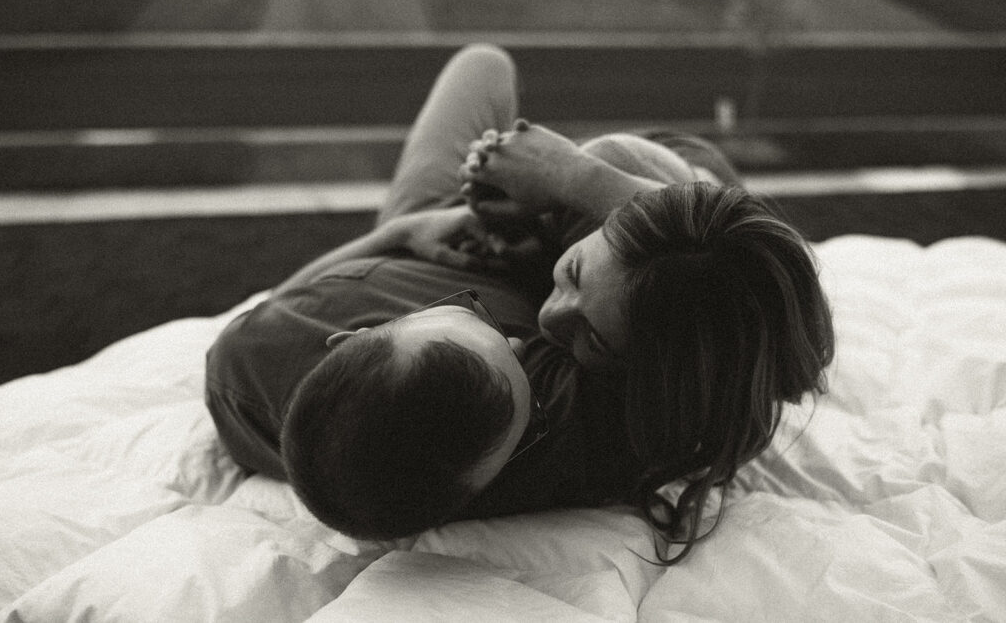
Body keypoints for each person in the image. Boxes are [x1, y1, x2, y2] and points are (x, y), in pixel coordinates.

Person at [205, 44, 834, 561]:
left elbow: (275, 306)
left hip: (422, 235)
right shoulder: (551, 417)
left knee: (484, 65)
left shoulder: (259, 376)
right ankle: (631, 184)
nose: (540, 326)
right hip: (579, 221)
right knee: (621, 153)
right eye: (573, 277)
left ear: (360, 334)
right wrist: (574, 177)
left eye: (597, 337)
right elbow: (772, 301)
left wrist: (399, 234)